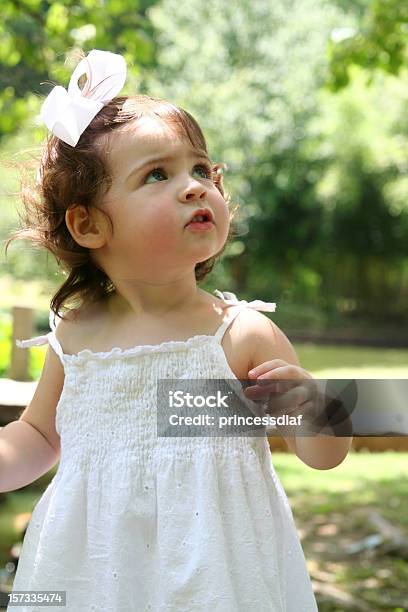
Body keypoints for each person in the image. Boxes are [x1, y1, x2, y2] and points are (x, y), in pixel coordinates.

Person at [2, 49, 352, 611]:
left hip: (217, 571)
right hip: (96, 570)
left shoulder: (240, 335)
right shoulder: (78, 337)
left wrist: (312, 408)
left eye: (201, 169)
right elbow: (40, 437)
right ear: (88, 224)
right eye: (158, 174)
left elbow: (323, 455)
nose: (194, 187)